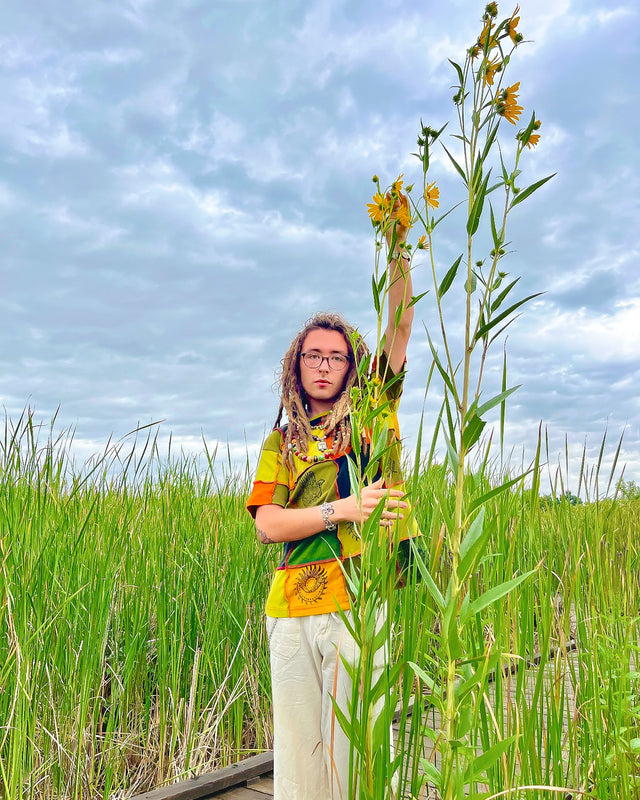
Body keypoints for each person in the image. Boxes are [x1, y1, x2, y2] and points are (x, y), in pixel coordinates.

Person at [246, 198, 416, 800]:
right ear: (297, 365)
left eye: (335, 356)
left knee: (360, 750)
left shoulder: (373, 416)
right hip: (289, 608)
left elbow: (399, 326)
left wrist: (397, 240)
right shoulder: (281, 442)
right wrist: (338, 510)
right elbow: (267, 524)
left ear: (352, 367)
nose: (324, 365)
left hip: (358, 599)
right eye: (313, 355)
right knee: (298, 757)